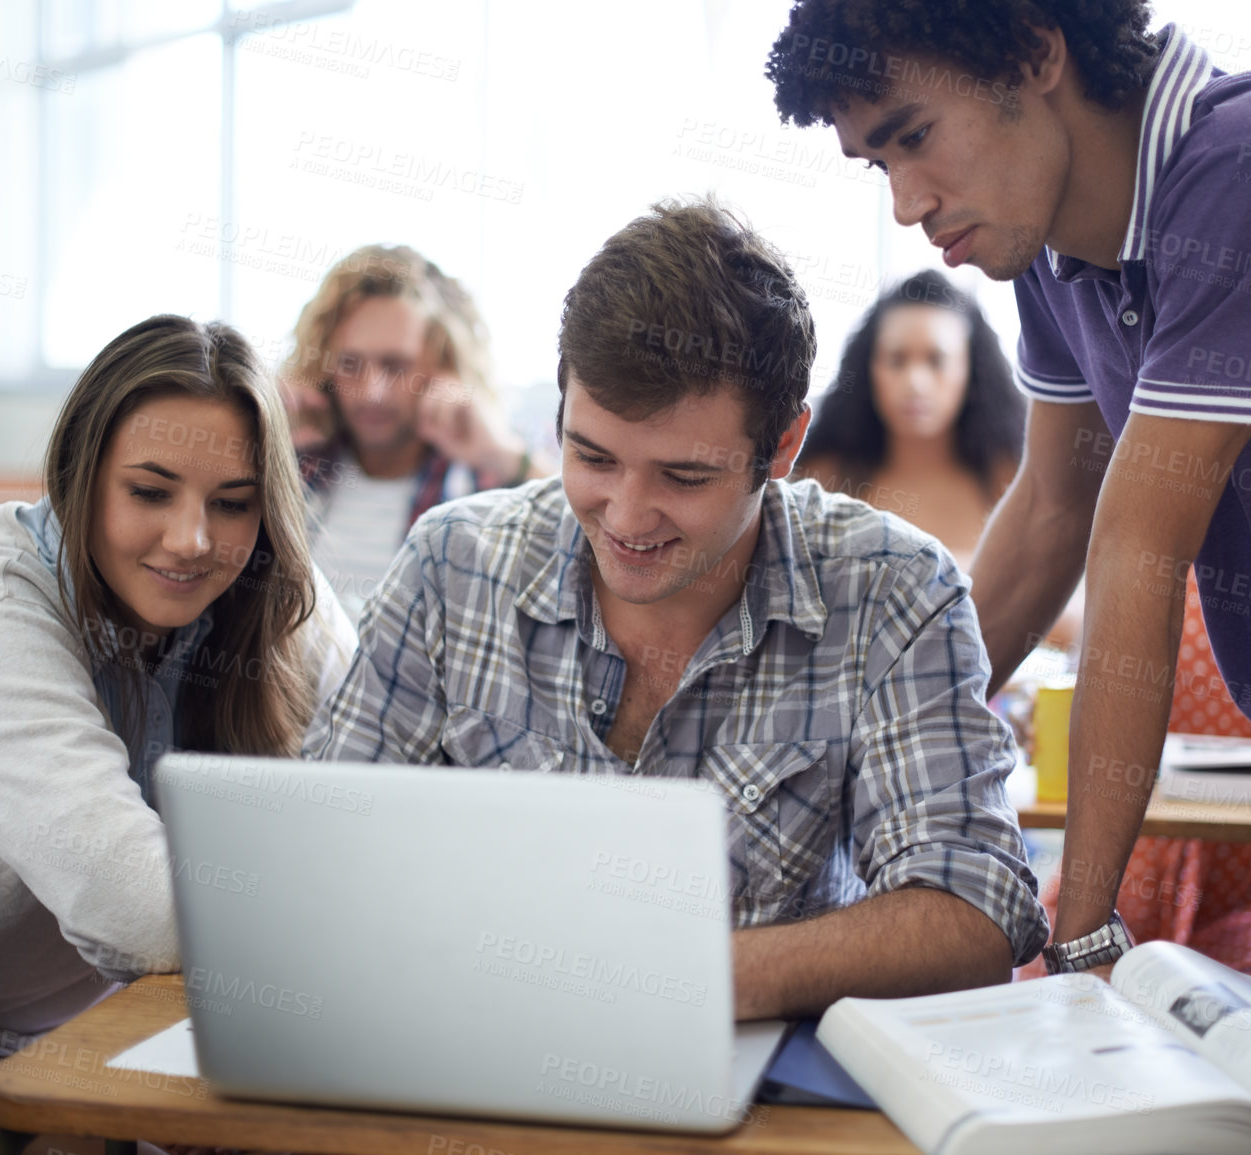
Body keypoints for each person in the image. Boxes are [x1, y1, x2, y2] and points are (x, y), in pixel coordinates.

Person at [767, 0, 1251, 1039]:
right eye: (878, 165)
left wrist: (1084, 930)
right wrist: (848, 773)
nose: (910, 201)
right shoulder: (1051, 244)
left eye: (915, 136)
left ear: (1037, 54)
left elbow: (1137, 545)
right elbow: (1050, 513)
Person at [306, 197, 1048, 1020]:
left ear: (784, 447)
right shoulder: (450, 563)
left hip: (754, 1106)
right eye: (592, 457)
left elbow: (976, 910)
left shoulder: (892, 588)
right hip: (465, 1055)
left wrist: (666, 977)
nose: (625, 516)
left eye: (683, 477)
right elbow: (324, 852)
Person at [0, 315, 356, 1152]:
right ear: (80, 476)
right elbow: (142, 911)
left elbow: (386, 790)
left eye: (232, 503)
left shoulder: (267, 589)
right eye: (149, 492)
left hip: (94, 1021)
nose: (192, 539)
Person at [280, 244, 550, 619]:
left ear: (443, 363)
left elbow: (580, 532)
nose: (372, 392)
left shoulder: (479, 484)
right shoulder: (295, 467)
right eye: (350, 364)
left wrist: (502, 454)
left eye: (395, 366)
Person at [796, 268, 1023, 563]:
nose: (915, 382)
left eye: (936, 360)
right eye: (896, 360)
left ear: (972, 371)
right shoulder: (823, 477)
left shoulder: (1010, 478)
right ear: (869, 368)